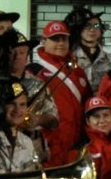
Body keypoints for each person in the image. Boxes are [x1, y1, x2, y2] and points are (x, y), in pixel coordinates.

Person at [34, 21, 88, 167]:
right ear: (43, 40)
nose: (60, 43)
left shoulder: (78, 71)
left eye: (64, 39)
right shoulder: (34, 71)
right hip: (49, 146)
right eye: (55, 39)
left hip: (75, 147)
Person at [67, 7, 111, 93]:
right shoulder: (70, 58)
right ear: (79, 30)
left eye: (96, 25)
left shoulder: (110, 61)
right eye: (87, 26)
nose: (92, 30)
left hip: (101, 104)